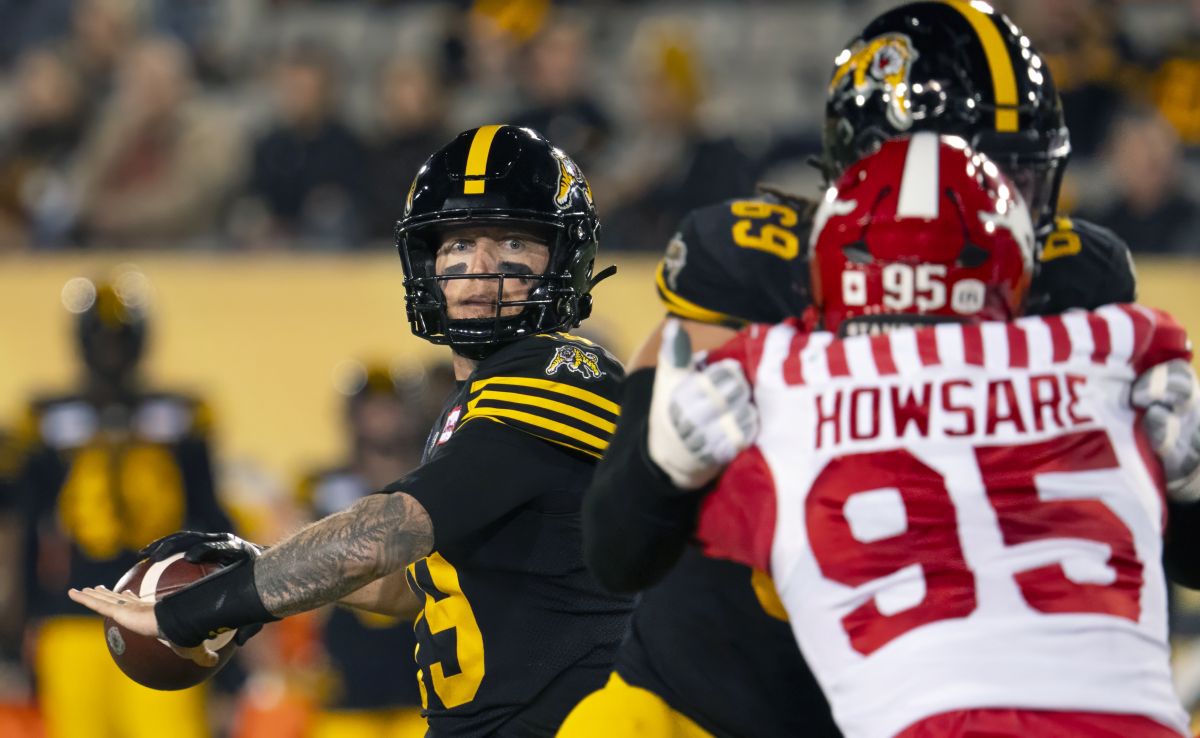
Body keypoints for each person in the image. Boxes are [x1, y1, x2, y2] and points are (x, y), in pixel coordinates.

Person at [560, 3, 1136, 737]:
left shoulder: (1073, 286)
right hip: (710, 709)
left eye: (1020, 179)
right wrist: (662, 467)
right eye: (976, 177)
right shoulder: (747, 277)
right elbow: (617, 551)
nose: (1003, 211)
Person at [71, 125, 635, 738]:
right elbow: (413, 586)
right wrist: (260, 563)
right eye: (459, 243)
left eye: (513, 242)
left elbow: (391, 530)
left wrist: (202, 608)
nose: (479, 270)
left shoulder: (564, 372)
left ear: (567, 259)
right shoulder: (477, 398)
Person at [12, 271, 233, 738]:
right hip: (72, 613)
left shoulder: (182, 414)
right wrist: (19, 620)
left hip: (162, 610)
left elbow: (209, 517)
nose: (110, 351)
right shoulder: (44, 418)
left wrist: (223, 604)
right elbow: (26, 528)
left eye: (119, 339)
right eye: (100, 339)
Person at [297, 363, 427, 738]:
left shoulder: (432, 479)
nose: (381, 416)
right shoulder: (320, 486)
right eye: (372, 406)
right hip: (347, 682)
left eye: (390, 405)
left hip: (420, 682)